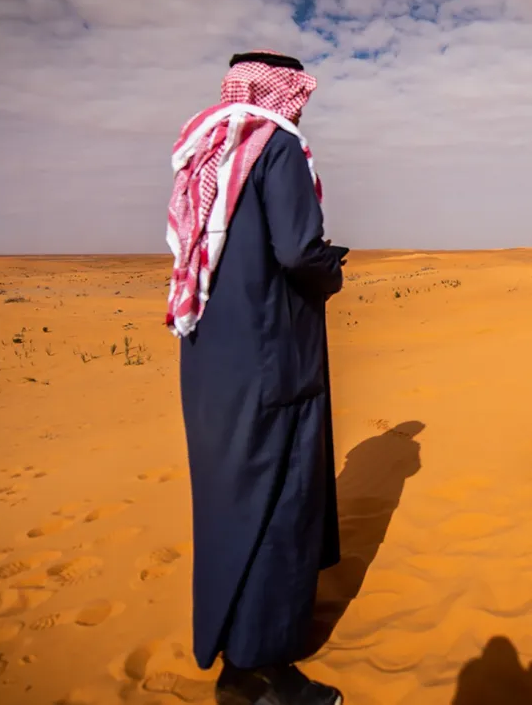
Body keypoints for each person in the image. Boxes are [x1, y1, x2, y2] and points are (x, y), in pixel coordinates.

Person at [165, 50, 346, 705]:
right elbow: (297, 251)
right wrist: (332, 270)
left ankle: (234, 651)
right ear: (284, 92)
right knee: (279, 506)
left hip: (210, 360)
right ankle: (259, 671)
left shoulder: (204, 151)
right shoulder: (277, 147)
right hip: (274, 364)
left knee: (228, 503)